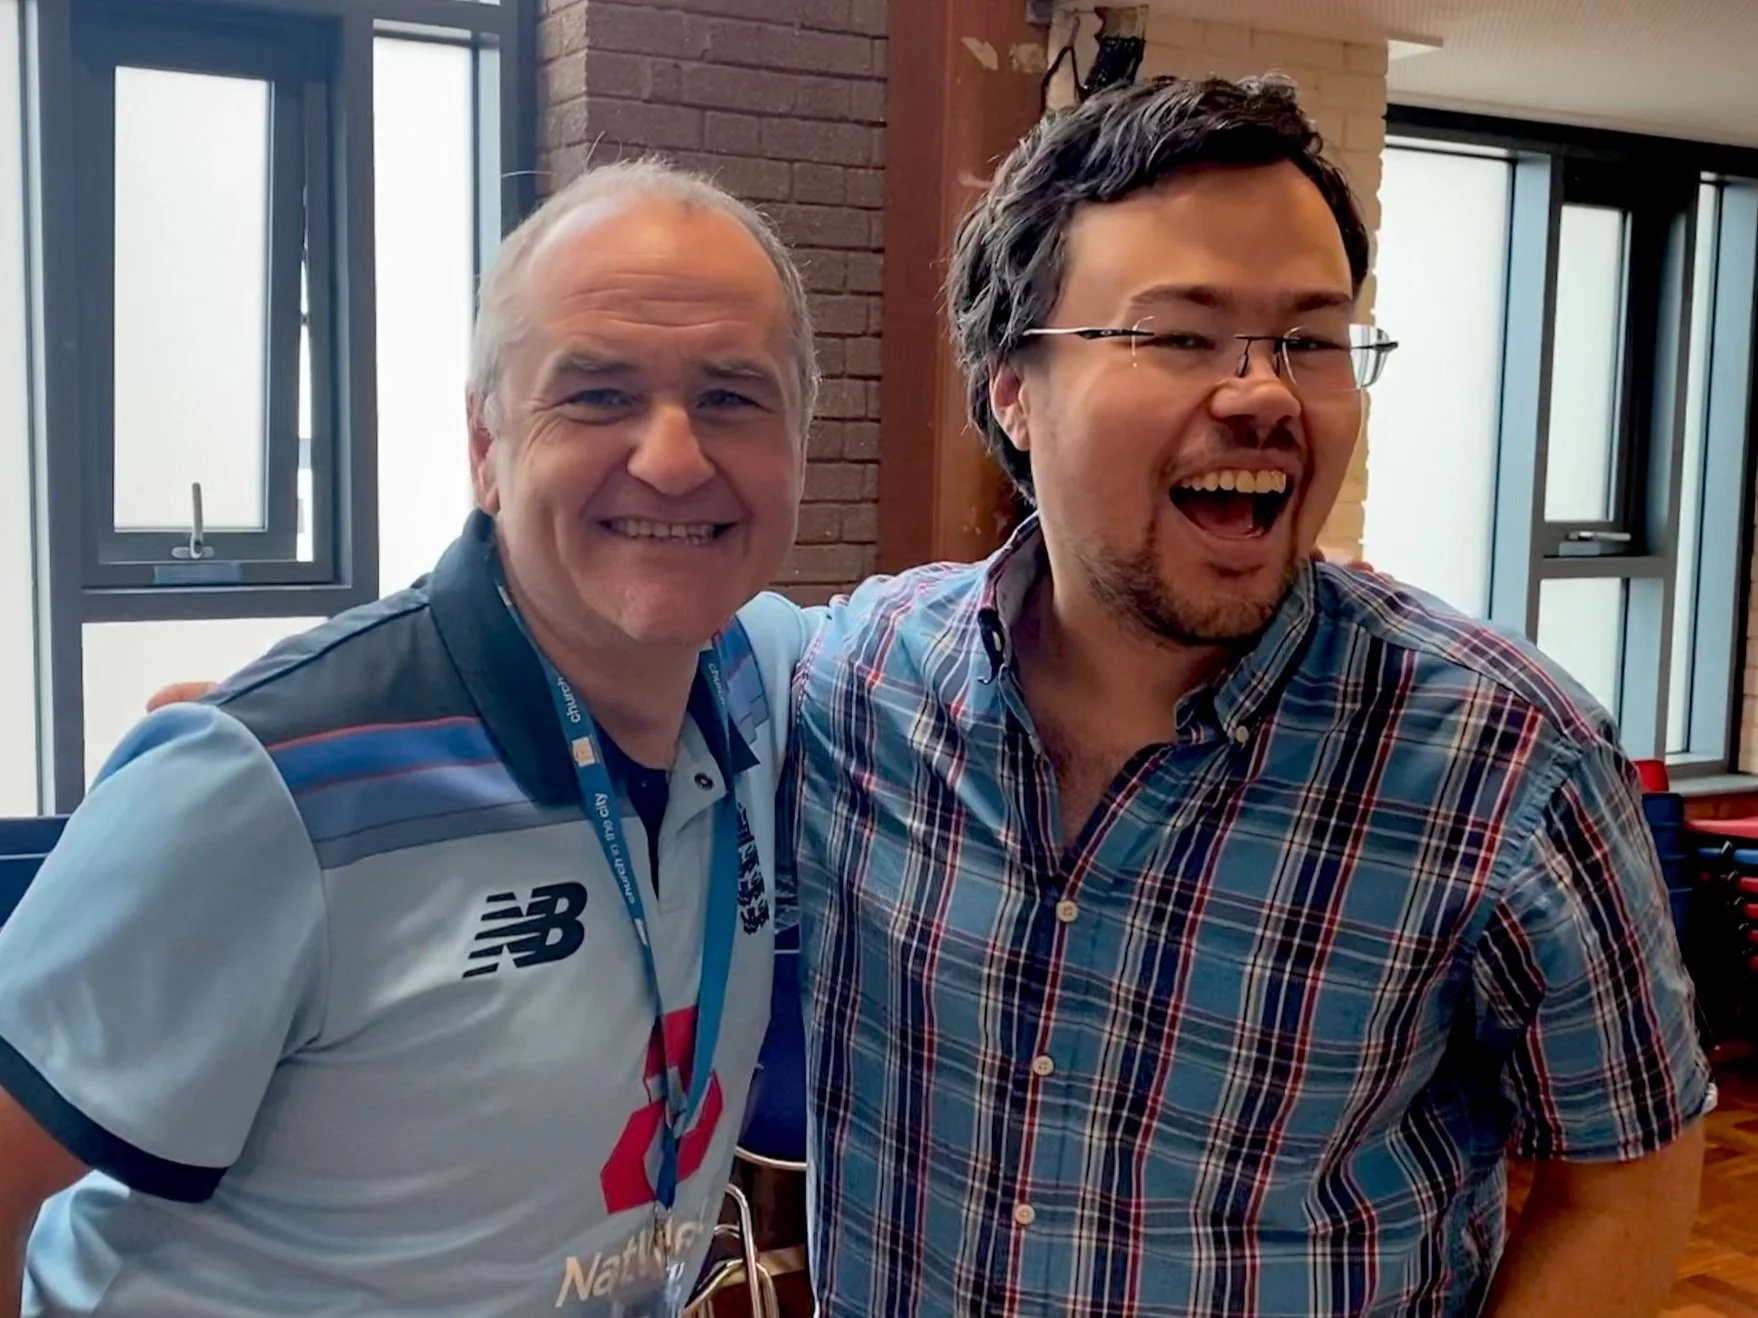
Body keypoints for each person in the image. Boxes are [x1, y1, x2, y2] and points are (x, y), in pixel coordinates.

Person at [782, 75, 1710, 1316]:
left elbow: (1628, 1177)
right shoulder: (857, 683)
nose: (1266, 393)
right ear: (1013, 388)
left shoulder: (1507, 759)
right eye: (1180, 335)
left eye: (1313, 341)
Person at [0, 158, 817, 1317]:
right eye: (597, 395)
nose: (675, 457)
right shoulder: (266, 786)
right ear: (486, 446)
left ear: (799, 444)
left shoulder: (768, 684)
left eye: (732, 397)